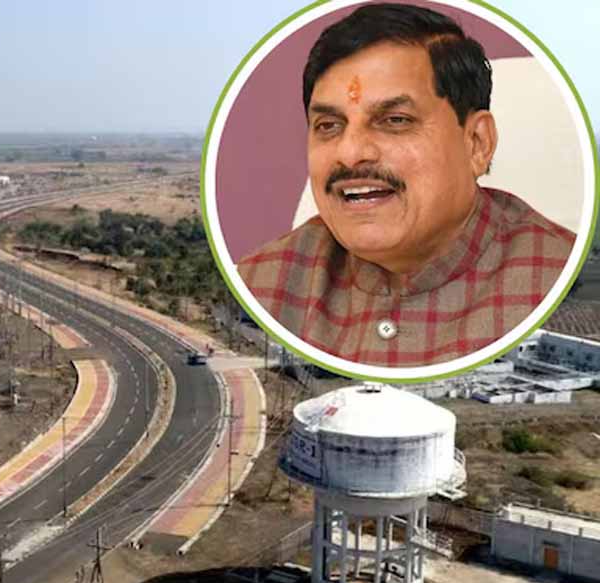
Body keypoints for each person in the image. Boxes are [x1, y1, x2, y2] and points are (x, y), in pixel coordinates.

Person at [237, 2, 575, 367]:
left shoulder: (550, 275)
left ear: (477, 143)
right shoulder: (266, 280)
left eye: (395, 120)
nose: (350, 154)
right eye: (329, 126)